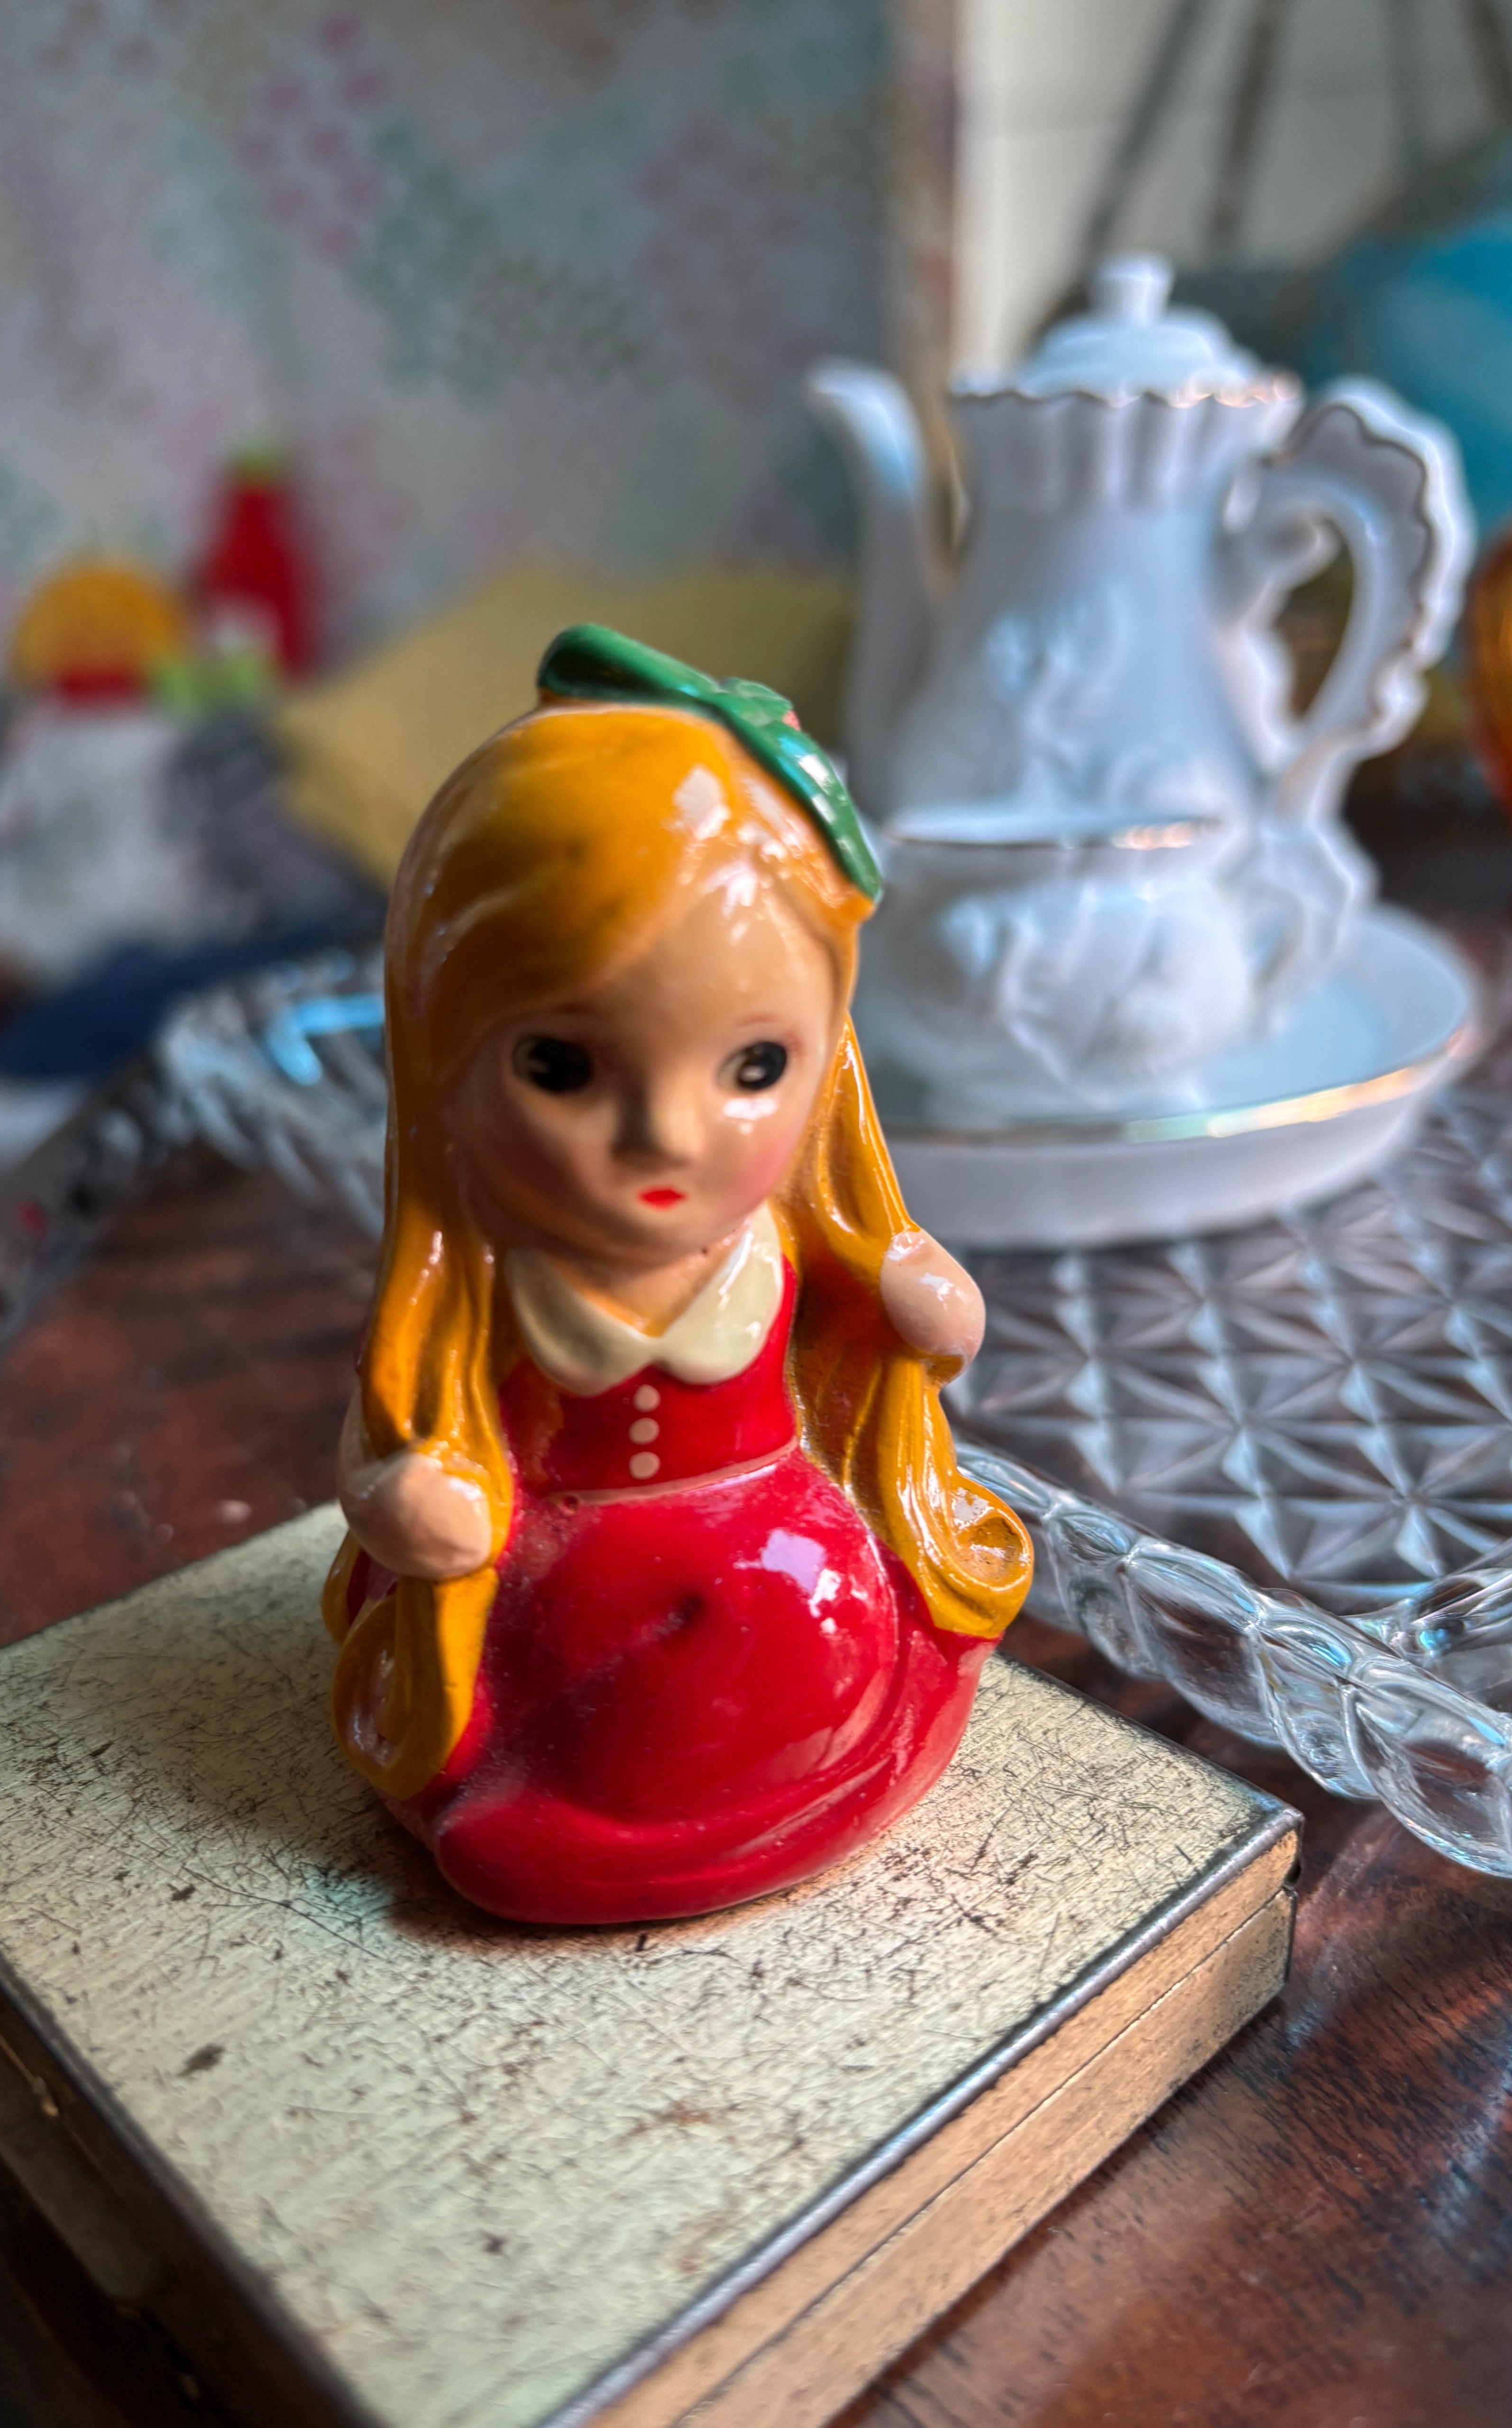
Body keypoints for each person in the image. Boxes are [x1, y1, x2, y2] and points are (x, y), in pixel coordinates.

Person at [327, 626, 1031, 1924]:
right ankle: (588, 1824)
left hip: (779, 1557)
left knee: (805, 1628)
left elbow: (893, 1322)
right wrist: (410, 1502)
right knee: (582, 1715)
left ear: (826, 1059)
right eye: (563, 1070)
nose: (668, 1135)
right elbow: (394, 1445)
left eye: (752, 1068)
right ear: (444, 1059)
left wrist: (916, 1303)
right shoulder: (483, 1286)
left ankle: (770, 1795)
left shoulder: (791, 1241)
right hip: (563, 1608)